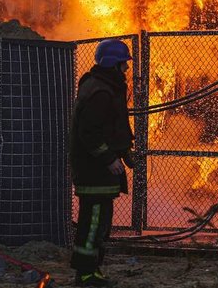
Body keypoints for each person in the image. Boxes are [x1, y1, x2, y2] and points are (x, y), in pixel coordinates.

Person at [69, 39, 135, 287]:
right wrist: (108, 159)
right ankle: (85, 274)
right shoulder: (101, 92)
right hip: (94, 171)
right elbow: (90, 133)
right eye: (123, 64)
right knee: (93, 223)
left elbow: (112, 128)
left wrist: (124, 153)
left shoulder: (106, 87)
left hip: (99, 172)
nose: (126, 69)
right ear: (113, 64)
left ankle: (92, 270)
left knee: (99, 224)